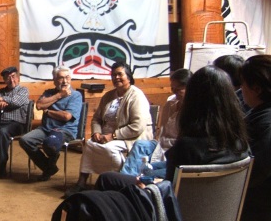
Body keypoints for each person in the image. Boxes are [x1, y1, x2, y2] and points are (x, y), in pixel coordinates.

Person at [96, 65, 250, 195]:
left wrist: (153, 183)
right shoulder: (242, 143)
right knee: (142, 152)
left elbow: (169, 190)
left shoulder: (187, 146)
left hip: (170, 209)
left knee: (107, 179)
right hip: (215, 209)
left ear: (193, 97)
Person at [64, 61, 152, 197]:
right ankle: (81, 183)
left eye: (119, 74)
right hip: (106, 136)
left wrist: (113, 136)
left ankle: (116, 183)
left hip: (131, 138)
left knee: (109, 149)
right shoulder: (108, 96)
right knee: (89, 144)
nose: (116, 77)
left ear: (128, 76)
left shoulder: (136, 96)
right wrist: (97, 132)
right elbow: (96, 119)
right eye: (113, 75)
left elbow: (137, 126)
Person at [120, 68, 192, 177]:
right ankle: (125, 178)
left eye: (178, 89)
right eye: (173, 89)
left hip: (175, 149)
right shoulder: (170, 103)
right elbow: (162, 130)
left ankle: (139, 180)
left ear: (189, 88)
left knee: (148, 171)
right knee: (140, 144)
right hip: (161, 143)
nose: (175, 92)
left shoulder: (193, 110)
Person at [20, 66, 82, 182]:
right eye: (61, 78)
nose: (64, 81)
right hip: (45, 129)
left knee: (50, 143)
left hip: (64, 130)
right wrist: (59, 95)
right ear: (54, 80)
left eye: (67, 77)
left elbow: (66, 116)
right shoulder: (48, 92)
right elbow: (39, 106)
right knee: (25, 140)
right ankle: (49, 167)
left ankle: (49, 164)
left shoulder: (76, 95)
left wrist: (48, 111)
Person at [239, 55, 271, 220]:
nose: (241, 89)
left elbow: (258, 169)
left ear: (257, 88)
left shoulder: (266, 120)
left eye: (243, 83)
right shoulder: (258, 113)